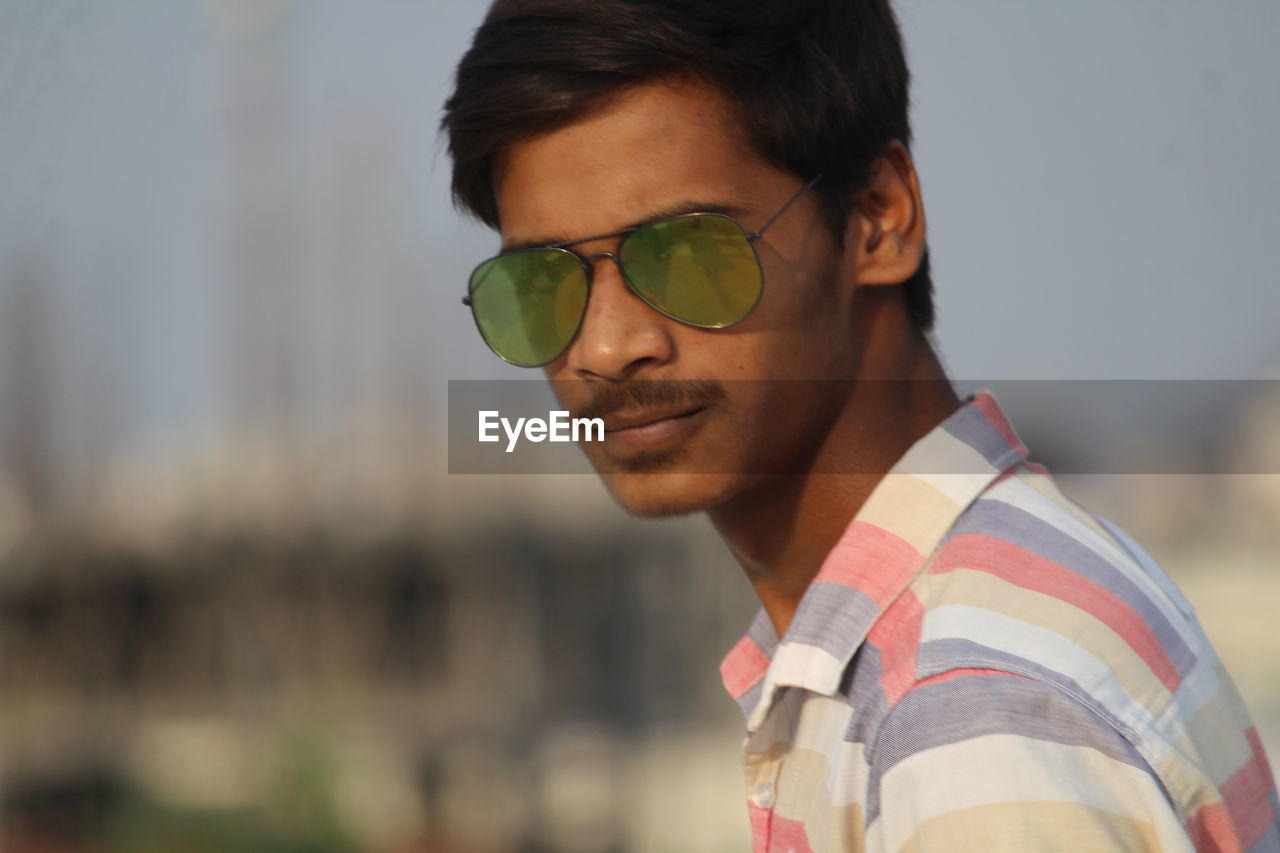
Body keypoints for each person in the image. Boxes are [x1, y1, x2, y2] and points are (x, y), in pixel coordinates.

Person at [440, 1, 1280, 849]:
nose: (609, 346)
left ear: (879, 216)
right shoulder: (1002, 594)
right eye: (542, 285)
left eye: (688, 254)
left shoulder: (967, 715)